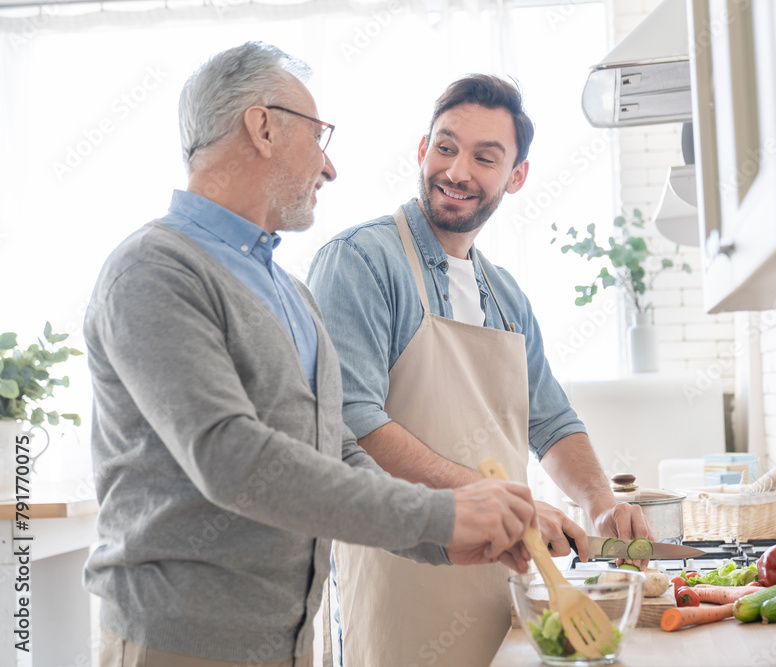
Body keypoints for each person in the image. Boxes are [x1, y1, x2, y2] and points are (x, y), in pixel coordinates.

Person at [83, 44, 539, 667]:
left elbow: (339, 449)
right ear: (263, 127)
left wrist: (440, 538)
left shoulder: (288, 291)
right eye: (319, 136)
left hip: (292, 641)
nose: (330, 169)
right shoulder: (154, 270)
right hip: (177, 643)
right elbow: (233, 457)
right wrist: (440, 510)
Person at [306, 74, 652, 667]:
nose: (458, 171)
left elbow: (551, 419)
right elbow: (351, 421)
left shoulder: (506, 294)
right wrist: (500, 502)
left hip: (502, 587)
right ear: (422, 150)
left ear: (516, 177)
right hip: (401, 582)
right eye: (445, 147)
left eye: (485, 158)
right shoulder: (361, 261)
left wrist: (598, 502)